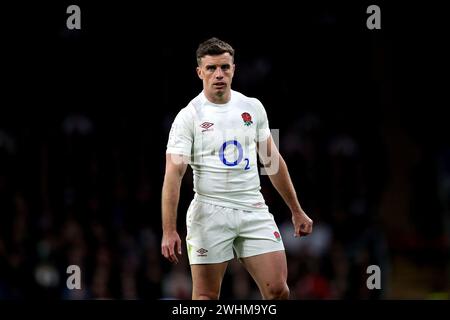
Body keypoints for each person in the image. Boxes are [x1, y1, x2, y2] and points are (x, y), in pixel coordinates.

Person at [161, 37, 313, 300]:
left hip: (252, 207)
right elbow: (173, 175)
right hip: (209, 211)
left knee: (278, 290)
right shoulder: (188, 116)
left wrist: (296, 210)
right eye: (211, 68)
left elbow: (272, 162)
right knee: (206, 296)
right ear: (200, 72)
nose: (219, 74)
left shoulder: (253, 107)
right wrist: (169, 229)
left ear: (234, 69)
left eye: (224, 67)